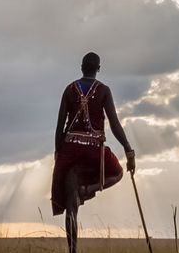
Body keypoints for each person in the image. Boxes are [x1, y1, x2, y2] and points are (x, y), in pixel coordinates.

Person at [51, 52, 135, 217]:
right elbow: (115, 124)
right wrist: (128, 150)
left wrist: (58, 153)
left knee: (63, 192)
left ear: (81, 67)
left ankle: (71, 204)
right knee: (117, 172)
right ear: (98, 69)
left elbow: (59, 126)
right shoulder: (104, 90)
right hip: (93, 150)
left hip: (69, 149)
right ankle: (86, 190)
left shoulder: (69, 89)